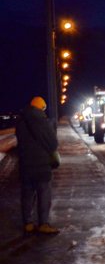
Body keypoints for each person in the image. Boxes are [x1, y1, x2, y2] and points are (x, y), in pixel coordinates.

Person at [16, 96, 60, 234]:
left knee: (27, 194)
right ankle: (43, 224)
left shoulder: (21, 121)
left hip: (25, 164)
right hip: (41, 164)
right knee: (44, 193)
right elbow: (53, 143)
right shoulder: (42, 121)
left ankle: (28, 223)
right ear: (41, 108)